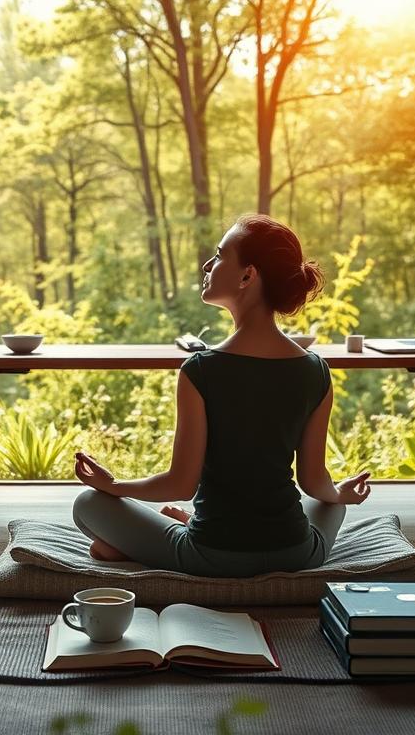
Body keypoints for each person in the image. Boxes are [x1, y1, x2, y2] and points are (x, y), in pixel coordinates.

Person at [70, 213, 372, 578]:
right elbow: (313, 482)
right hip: (297, 553)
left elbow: (180, 484)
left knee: (88, 504)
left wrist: (113, 485)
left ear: (248, 275)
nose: (207, 264)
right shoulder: (315, 370)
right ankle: (170, 531)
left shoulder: (201, 371)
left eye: (219, 255)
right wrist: (341, 495)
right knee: (331, 503)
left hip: (211, 557)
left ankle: (153, 541)